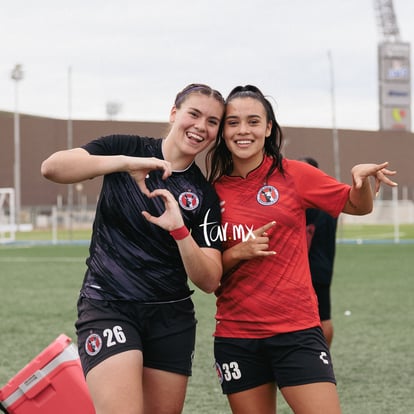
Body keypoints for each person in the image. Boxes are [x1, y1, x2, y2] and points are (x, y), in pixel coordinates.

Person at [206, 85, 397, 414]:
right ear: (223, 131)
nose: (243, 131)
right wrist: (239, 252)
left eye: (253, 121)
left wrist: (359, 182)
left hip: (296, 331)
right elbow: (205, 274)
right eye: (233, 122)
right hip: (237, 335)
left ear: (268, 128)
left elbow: (357, 205)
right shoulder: (212, 192)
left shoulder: (295, 175)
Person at [41, 83, 225, 414]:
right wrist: (124, 163)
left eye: (212, 122)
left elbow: (210, 280)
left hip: (171, 318)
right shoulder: (125, 147)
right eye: (193, 114)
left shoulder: (204, 194)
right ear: (173, 114)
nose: (201, 126)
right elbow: (52, 168)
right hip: (109, 305)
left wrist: (180, 230)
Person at [300, 157, 337, 348]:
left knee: (305, 320)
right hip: (325, 267)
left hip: (304, 268)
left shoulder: (306, 202)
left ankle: (314, 357)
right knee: (324, 316)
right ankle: (324, 356)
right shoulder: (329, 200)